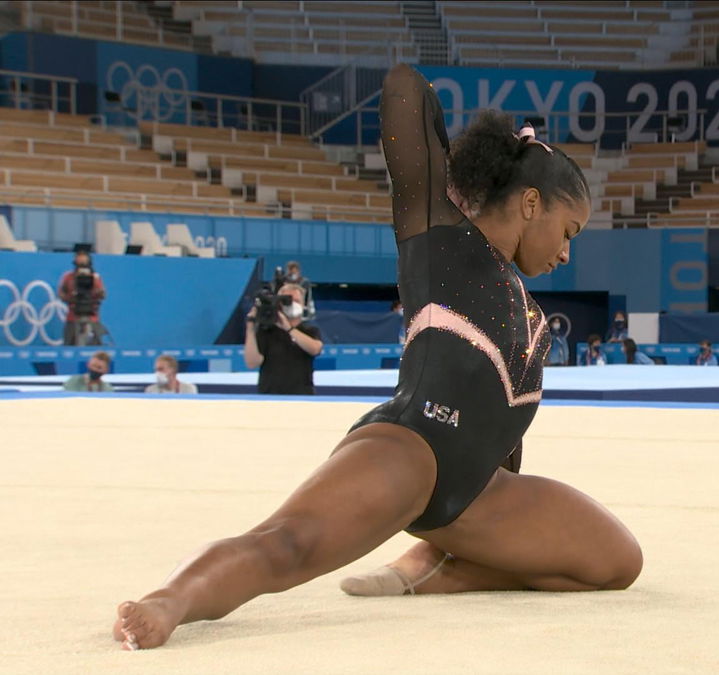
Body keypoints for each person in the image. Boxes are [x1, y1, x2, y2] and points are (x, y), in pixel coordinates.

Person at [113, 64, 640, 651]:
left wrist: (491, 518)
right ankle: (171, 599)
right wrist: (485, 159)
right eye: (568, 231)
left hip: (478, 492)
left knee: (617, 562)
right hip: (409, 454)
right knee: (284, 546)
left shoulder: (526, 308)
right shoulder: (441, 239)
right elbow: (403, 91)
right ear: (531, 202)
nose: (567, 253)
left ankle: (448, 568)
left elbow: (501, 423)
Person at [243, 283, 324, 395]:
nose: (293, 304)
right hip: (270, 396)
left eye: (297, 300)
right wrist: (250, 329)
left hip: (302, 397)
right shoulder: (267, 331)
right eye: (288, 300)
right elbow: (252, 363)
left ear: (303, 304)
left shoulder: (310, 330)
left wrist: (289, 329)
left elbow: (315, 349)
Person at [57, 250, 107, 346]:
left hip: (92, 317)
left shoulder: (95, 278)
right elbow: (61, 294)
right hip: (72, 317)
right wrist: (72, 297)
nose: (81, 267)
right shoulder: (68, 277)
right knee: (69, 347)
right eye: (78, 264)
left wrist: (96, 292)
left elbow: (103, 294)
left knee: (94, 347)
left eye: (84, 264)